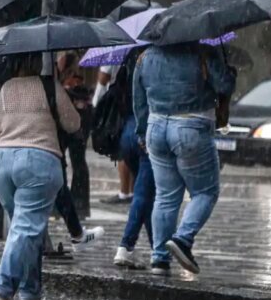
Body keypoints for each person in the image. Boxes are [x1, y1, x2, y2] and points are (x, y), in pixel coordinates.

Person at [0, 52, 80, 300]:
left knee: (25, 228)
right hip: (38, 161)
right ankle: (2, 287)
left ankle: (29, 292)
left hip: (2, 166)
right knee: (26, 228)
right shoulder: (49, 86)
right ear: (37, 61)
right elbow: (73, 124)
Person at [134, 43, 236, 275]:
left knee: (165, 196)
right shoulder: (203, 53)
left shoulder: (145, 56)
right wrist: (228, 71)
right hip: (191, 126)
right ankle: (182, 239)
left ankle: (159, 258)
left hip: (156, 127)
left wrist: (141, 131)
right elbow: (224, 86)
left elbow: (138, 98)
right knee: (205, 192)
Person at [111, 48, 156, 269]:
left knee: (146, 192)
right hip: (144, 130)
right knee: (142, 193)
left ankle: (157, 246)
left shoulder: (130, 59)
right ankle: (126, 246)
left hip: (127, 132)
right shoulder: (154, 60)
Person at [58, 52, 93, 216]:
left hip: (77, 117)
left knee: (76, 160)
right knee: (61, 159)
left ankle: (77, 204)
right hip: (69, 116)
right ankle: (64, 201)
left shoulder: (77, 65)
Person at [94, 65, 135, 205]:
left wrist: (96, 103)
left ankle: (125, 192)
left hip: (120, 103)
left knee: (122, 150)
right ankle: (131, 190)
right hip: (131, 101)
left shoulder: (114, 49)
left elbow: (103, 77)